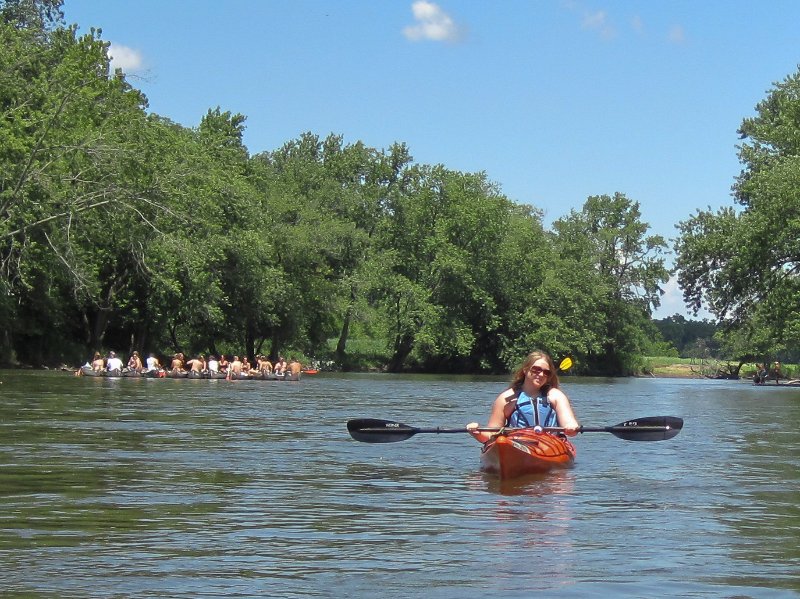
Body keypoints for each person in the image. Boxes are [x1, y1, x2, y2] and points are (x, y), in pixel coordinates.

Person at [467, 350, 580, 444]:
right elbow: (490, 435)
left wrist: (571, 427)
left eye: (546, 372)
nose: (540, 374)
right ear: (525, 370)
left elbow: (569, 424)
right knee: (501, 441)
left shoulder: (556, 396)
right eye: (536, 369)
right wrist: (477, 432)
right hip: (516, 444)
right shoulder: (506, 398)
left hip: (550, 444)